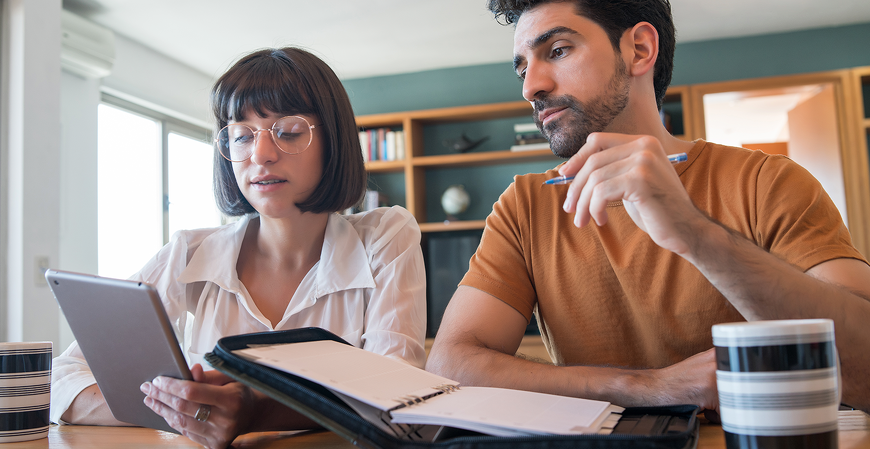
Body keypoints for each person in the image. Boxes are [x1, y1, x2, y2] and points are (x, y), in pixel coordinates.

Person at [426, 0, 870, 413]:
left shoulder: (768, 182)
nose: (531, 87)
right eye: (522, 69)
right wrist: (647, 386)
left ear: (639, 49)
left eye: (557, 51)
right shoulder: (524, 207)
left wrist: (694, 231)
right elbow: (450, 366)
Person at [51, 47, 427, 448]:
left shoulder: (385, 235)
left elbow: (397, 391)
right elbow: (63, 377)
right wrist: (185, 412)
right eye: (242, 136)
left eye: (289, 132)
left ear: (332, 141)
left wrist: (252, 410)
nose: (260, 155)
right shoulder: (190, 253)